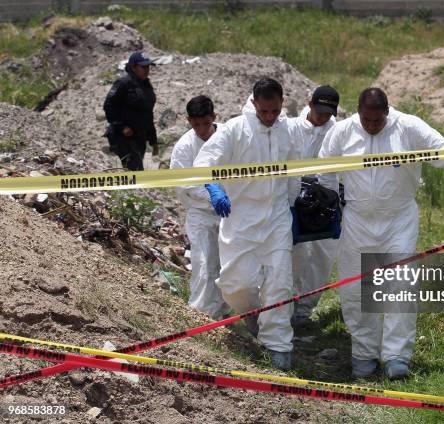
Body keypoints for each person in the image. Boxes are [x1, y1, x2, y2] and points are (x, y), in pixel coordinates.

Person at [318, 87, 444, 379]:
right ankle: (363, 352)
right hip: (357, 220)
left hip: (398, 220)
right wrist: (331, 205)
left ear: (387, 112)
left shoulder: (408, 128)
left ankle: (397, 356)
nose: (371, 126)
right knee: (356, 289)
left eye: (377, 120)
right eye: (366, 120)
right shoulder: (342, 132)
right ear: (358, 112)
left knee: (400, 286)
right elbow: (324, 169)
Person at [193, 78, 301, 370]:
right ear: (254, 103)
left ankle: (278, 346)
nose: (269, 117)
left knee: (279, 282)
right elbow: (204, 162)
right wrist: (214, 187)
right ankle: (253, 313)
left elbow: (294, 172)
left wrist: (292, 209)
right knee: (235, 284)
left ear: (281, 105)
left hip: (277, 218)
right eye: (264, 111)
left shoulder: (288, 131)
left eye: (275, 111)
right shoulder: (234, 130)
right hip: (240, 219)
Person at [170, 95, 229, 320]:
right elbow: (185, 183)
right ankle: (200, 315)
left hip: (232, 210)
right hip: (200, 213)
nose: (202, 130)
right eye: (196, 125)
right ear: (189, 121)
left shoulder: (227, 136)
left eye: (206, 123)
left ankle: (224, 311)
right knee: (204, 265)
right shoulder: (185, 147)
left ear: (214, 117)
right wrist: (211, 195)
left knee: (231, 266)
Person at [290, 85, 340, 328]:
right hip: (292, 199)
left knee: (321, 256)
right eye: (319, 112)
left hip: (324, 201)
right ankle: (282, 307)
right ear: (309, 105)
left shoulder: (338, 132)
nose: (323, 118)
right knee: (293, 255)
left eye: (328, 114)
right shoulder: (291, 128)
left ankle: (303, 311)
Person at [103, 51, 159, 171]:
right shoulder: (123, 83)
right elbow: (109, 105)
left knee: (137, 169)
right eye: (143, 67)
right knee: (134, 171)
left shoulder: (145, 84)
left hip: (140, 137)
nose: (147, 70)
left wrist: (153, 140)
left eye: (148, 66)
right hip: (123, 137)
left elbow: (148, 113)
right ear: (134, 67)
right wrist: (122, 127)